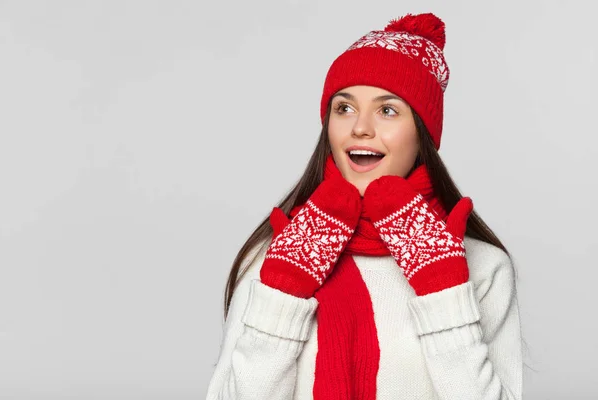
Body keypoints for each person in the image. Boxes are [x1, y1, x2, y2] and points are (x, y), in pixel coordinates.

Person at [205, 12, 523, 400]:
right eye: (344, 108)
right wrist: (285, 292)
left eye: (388, 110)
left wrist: (443, 289)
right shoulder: (277, 256)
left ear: (423, 135)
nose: (360, 127)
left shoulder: (483, 267)